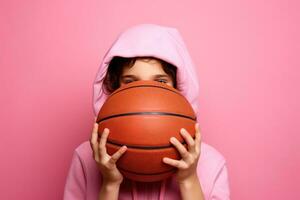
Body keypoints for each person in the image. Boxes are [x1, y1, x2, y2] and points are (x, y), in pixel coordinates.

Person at [63, 24, 230, 200]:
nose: (145, 93)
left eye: (160, 82)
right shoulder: (85, 159)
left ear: (179, 88)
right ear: (113, 89)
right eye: (130, 82)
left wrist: (189, 180)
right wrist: (110, 184)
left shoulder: (211, 164)